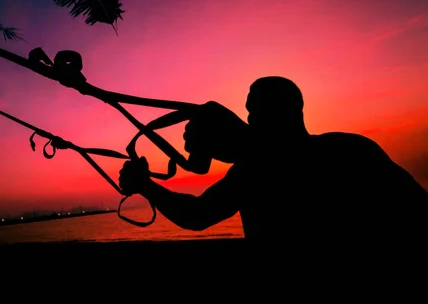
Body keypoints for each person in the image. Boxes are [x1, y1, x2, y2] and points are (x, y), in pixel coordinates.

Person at [118, 76, 428, 241]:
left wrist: (145, 186)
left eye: (255, 111)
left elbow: (196, 215)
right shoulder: (352, 147)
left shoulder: (253, 171)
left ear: (289, 111)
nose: (250, 118)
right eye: (249, 112)